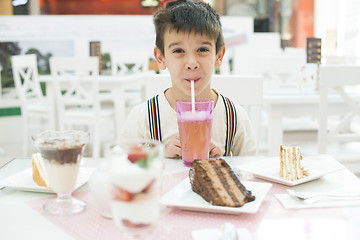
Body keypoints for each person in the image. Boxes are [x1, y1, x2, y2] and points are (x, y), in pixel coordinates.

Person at [120, 0, 256, 158]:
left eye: (202, 49)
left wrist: (225, 162)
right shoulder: (143, 117)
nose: (192, 63)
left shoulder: (234, 116)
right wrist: (158, 156)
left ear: (219, 55)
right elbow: (120, 166)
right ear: (161, 57)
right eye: (178, 50)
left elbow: (250, 171)